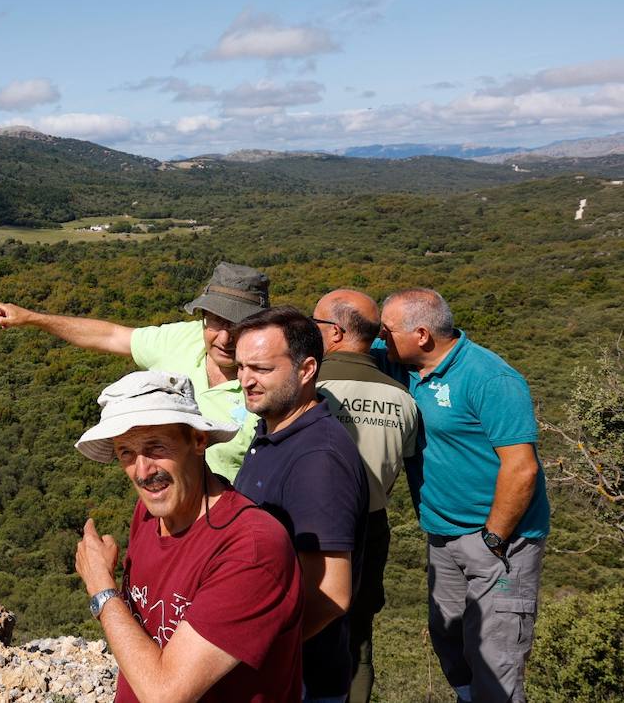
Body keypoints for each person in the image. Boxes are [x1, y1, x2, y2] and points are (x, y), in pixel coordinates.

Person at [73, 370, 304, 703]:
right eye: (126, 453)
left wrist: (102, 590)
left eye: (155, 448)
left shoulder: (252, 547)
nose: (142, 472)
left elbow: (165, 695)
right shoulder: (151, 514)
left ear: (198, 441)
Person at [378, 288, 549, 703]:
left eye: (388, 330)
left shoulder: (490, 378)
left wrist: (493, 538)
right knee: (450, 640)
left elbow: (521, 468)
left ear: (421, 335)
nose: (381, 339)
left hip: (499, 541)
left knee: (496, 659)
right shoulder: (408, 367)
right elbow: (351, 341)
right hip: (443, 535)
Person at [0, 261, 270, 480]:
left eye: (238, 326)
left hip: (233, 528)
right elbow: (110, 336)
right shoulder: (182, 339)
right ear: (203, 318)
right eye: (216, 322)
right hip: (164, 508)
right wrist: (32, 318)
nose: (224, 338)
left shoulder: (274, 382)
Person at [231, 307, 368, 703]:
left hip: (300, 682)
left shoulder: (317, 459)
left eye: (260, 368)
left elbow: (330, 593)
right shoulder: (277, 430)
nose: (245, 380)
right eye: (240, 367)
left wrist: (253, 651)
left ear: (307, 369)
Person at [311, 289, 420, 703]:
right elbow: (397, 467)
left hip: (308, 530)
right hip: (371, 528)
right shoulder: (403, 400)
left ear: (335, 332)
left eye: (315, 324)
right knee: (358, 637)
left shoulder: (307, 387)